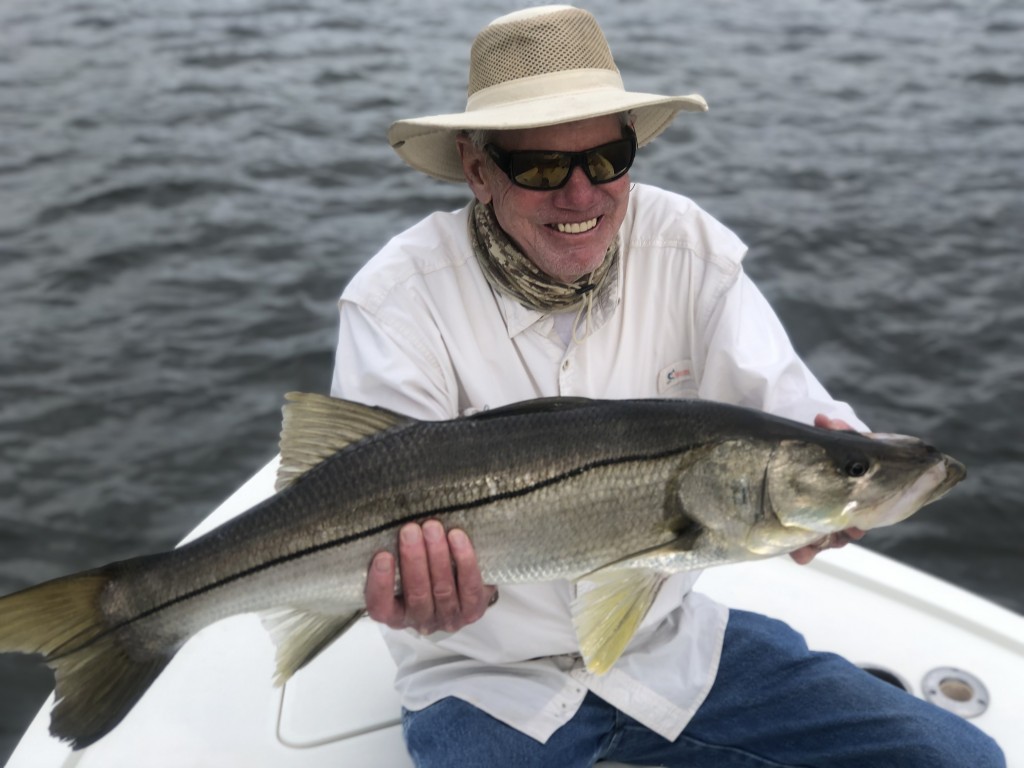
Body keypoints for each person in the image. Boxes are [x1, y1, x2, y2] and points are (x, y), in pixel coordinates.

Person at [331, 5, 1004, 767]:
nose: (581, 195)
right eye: (542, 168)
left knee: (956, 759)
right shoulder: (398, 299)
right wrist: (415, 597)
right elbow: (364, 487)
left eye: (608, 158)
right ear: (479, 170)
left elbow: (791, 415)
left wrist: (851, 475)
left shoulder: (686, 247)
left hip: (669, 652)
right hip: (484, 682)